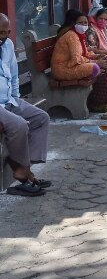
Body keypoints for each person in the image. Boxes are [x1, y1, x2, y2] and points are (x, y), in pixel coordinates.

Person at [0, 13, 51, 197]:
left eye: (6, 32)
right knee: (19, 125)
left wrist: (15, 99)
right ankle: (24, 173)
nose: (3, 36)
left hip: (9, 99)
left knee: (41, 118)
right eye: (0, 32)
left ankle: (24, 168)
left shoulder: (8, 46)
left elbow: (13, 76)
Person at [52, 10, 107, 117]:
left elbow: (85, 52)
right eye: (81, 23)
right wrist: (96, 62)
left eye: (86, 23)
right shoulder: (72, 36)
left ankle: (104, 102)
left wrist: (97, 56)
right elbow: (76, 59)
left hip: (72, 65)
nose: (84, 25)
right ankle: (96, 104)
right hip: (63, 69)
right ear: (74, 23)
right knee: (97, 68)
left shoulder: (79, 35)